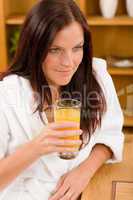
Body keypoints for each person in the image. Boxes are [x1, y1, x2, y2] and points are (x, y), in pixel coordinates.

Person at [0, 0, 124, 199]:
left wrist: (85, 171)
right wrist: (36, 147)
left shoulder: (95, 76)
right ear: (34, 47)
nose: (68, 63)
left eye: (77, 48)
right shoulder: (6, 95)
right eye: (54, 50)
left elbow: (110, 135)